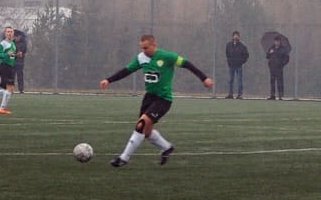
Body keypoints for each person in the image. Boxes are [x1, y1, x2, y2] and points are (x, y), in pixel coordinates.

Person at [99, 34, 213, 167]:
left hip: (163, 99)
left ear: (154, 45)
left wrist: (204, 78)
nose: (144, 51)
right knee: (146, 132)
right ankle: (167, 147)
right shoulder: (141, 58)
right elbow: (126, 71)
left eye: (146, 48)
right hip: (149, 98)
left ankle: (124, 158)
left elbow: (187, 64)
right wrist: (109, 80)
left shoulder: (167, 57)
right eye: (142, 48)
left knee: (141, 124)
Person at [224, 30, 249, 99]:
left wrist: (241, 62)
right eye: (235, 35)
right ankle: (230, 94)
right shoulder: (228, 45)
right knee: (230, 80)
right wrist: (229, 62)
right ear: (232, 36)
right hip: (231, 66)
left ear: (239, 37)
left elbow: (246, 55)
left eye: (237, 35)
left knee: (239, 81)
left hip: (239, 66)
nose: (236, 36)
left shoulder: (242, 46)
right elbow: (227, 54)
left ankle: (240, 94)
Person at [266, 35, 289, 100]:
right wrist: (270, 53)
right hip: (272, 68)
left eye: (278, 41)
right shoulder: (271, 48)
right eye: (275, 41)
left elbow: (287, 58)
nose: (276, 42)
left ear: (279, 41)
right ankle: (272, 95)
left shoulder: (283, 49)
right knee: (272, 82)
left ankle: (280, 96)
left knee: (280, 82)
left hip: (279, 68)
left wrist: (282, 64)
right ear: (274, 41)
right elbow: (267, 56)